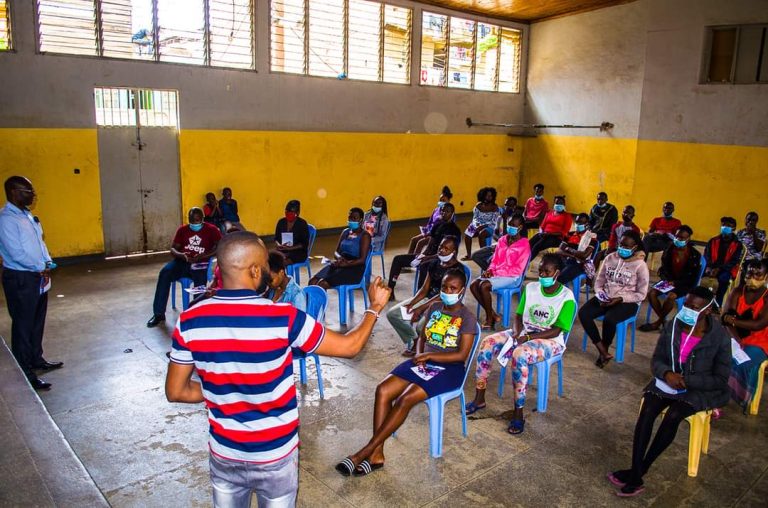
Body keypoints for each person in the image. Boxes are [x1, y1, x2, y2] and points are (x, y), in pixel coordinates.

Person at [165, 231, 391, 506]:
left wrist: (222, 388)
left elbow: (176, 391)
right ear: (255, 270)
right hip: (275, 455)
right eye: (264, 265)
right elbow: (350, 346)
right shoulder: (284, 318)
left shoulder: (189, 320)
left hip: (225, 453)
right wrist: (374, 307)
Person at [335, 268, 477, 476]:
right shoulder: (435, 307)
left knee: (405, 399)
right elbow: (422, 338)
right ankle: (377, 454)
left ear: (462, 290)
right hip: (424, 360)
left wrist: (428, 356)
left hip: (449, 368)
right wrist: (419, 354)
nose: (448, 291)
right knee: (383, 390)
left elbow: (462, 355)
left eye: (453, 288)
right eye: (445, 287)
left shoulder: (467, 317)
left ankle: (365, 451)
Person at [607, 287, 730, 497]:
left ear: (708, 310)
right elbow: (657, 359)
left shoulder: (719, 337)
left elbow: (720, 378)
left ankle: (638, 472)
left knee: (673, 415)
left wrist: (687, 381)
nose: (687, 310)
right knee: (647, 411)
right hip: (669, 381)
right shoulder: (675, 325)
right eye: (686, 305)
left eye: (694, 308)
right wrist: (666, 374)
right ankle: (636, 472)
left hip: (699, 388)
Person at [464, 254, 576, 435]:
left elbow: (557, 330)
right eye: (540, 271)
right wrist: (516, 333)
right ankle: (479, 398)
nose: (542, 275)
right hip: (524, 333)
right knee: (487, 343)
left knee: (520, 354)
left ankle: (518, 412)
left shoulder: (566, 296)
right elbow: (518, 315)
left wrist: (528, 337)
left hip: (550, 340)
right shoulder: (531, 288)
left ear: (557, 273)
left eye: (547, 272)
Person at [0, 176, 62, 391]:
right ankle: (25, 372)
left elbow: (39, 243)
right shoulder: (6, 219)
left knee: (36, 321)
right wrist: (39, 267)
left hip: (37, 275)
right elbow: (15, 253)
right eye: (28, 191)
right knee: (23, 326)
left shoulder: (27, 215)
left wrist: (47, 262)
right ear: (14, 192)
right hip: (20, 279)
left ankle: (37, 359)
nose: (33, 195)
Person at [579, 230, 649, 368]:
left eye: (627, 246)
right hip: (606, 296)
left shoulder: (640, 265)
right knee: (583, 313)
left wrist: (621, 298)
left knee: (610, 319)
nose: (622, 248)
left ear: (635, 247)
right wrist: (600, 294)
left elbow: (641, 294)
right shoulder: (610, 258)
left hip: (628, 301)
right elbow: (599, 282)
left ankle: (605, 347)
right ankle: (602, 350)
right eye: (621, 244)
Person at [386, 236, 462, 356]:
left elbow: (442, 296)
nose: (441, 250)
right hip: (428, 299)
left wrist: (420, 308)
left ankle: (421, 345)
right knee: (393, 314)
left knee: (421, 326)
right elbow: (424, 289)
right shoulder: (434, 263)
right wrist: (411, 304)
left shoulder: (457, 270)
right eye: (440, 247)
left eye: (446, 249)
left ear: (454, 252)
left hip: (444, 303)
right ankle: (415, 339)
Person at [147, 207, 222, 327]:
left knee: (200, 284)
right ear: (188, 219)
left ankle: (197, 314)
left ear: (203, 219)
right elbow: (173, 249)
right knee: (165, 273)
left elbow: (220, 247)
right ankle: (159, 314)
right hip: (182, 261)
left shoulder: (212, 230)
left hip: (200, 264)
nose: (195, 224)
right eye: (192, 221)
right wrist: (181, 255)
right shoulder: (183, 230)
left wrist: (203, 255)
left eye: (197, 221)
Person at [470, 214, 531, 329]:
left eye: (514, 225)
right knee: (473, 285)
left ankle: (489, 319)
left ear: (520, 227)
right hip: (497, 273)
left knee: (484, 285)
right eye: (509, 224)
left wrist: (496, 273)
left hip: (512, 277)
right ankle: (493, 314)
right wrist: (490, 270)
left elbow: (518, 269)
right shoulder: (502, 240)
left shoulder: (524, 244)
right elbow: (495, 260)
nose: (510, 227)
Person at [722, 259, 768, 411]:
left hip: (761, 340)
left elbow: (759, 324)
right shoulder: (737, 292)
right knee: (714, 357)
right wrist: (736, 339)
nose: (752, 278)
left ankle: (723, 397)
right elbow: (725, 319)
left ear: (766, 277)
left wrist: (733, 320)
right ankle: (713, 393)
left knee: (739, 364)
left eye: (758, 275)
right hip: (735, 336)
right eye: (749, 273)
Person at [388, 202, 461, 292]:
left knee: (424, 265)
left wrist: (429, 258)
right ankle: (390, 289)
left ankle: (421, 293)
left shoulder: (455, 230)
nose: (444, 213)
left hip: (441, 260)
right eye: (442, 211)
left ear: (452, 213)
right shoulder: (437, 225)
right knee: (398, 259)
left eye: (447, 211)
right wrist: (422, 255)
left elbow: (449, 253)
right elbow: (430, 244)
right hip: (428, 256)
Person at [640, 226, 702, 332]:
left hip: (684, 284)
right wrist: (666, 280)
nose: (678, 239)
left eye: (682, 238)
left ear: (688, 239)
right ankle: (663, 321)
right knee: (651, 293)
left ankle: (657, 323)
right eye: (677, 236)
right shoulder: (669, 249)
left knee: (671, 296)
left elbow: (692, 278)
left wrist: (676, 283)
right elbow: (663, 269)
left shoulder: (694, 255)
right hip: (668, 281)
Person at [309, 208, 371, 290]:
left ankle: (319, 299)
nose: (351, 220)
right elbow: (336, 252)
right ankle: (311, 299)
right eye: (350, 217)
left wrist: (346, 264)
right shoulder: (345, 232)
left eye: (354, 218)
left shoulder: (365, 236)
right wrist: (339, 258)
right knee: (312, 281)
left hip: (355, 268)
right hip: (340, 264)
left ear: (361, 220)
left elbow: (362, 260)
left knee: (322, 284)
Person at [471, 196, 523, 271]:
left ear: (514, 207)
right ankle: (490, 271)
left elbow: (507, 238)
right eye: (506, 205)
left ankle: (492, 271)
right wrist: (499, 240)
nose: (507, 207)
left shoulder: (515, 221)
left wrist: (505, 221)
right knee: (476, 256)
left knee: (490, 260)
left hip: (509, 248)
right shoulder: (499, 218)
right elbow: (494, 234)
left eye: (510, 206)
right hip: (498, 244)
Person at [703, 216, 744, 306]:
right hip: (712, 266)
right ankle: (702, 301)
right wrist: (709, 266)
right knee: (702, 277)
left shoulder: (737, 244)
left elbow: (734, 261)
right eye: (723, 225)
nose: (725, 227)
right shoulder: (713, 240)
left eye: (728, 226)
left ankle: (717, 305)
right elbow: (706, 255)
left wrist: (719, 269)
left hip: (726, 269)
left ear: (734, 228)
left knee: (722, 280)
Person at [408, 186, 452, 255]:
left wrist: (431, 233)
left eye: (443, 200)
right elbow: (429, 223)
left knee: (420, 242)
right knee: (414, 240)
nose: (441, 202)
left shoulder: (449, 213)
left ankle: (416, 259)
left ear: (448, 201)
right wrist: (426, 231)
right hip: (430, 232)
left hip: (438, 235)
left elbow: (447, 228)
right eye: (440, 200)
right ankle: (408, 258)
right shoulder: (436, 210)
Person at [557, 213, 598, 285]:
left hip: (580, 264)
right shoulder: (569, 234)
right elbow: (559, 251)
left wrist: (568, 249)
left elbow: (584, 256)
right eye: (577, 222)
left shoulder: (591, 237)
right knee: (550, 269)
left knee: (560, 278)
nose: (578, 225)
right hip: (567, 260)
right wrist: (573, 255)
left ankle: (555, 289)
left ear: (587, 224)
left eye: (581, 223)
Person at [528, 195, 573, 260]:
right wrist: (542, 233)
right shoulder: (549, 213)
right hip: (545, 235)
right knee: (529, 243)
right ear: (554, 203)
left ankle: (526, 262)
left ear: (564, 205)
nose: (558, 204)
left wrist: (549, 234)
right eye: (557, 203)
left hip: (556, 238)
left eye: (561, 203)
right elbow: (542, 226)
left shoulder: (567, 216)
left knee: (537, 246)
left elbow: (564, 232)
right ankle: (522, 258)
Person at [462, 187, 501, 260]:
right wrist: (477, 226)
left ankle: (483, 255)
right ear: (483, 196)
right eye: (487, 195)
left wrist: (482, 226)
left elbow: (494, 222)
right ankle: (469, 255)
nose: (489, 197)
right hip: (477, 224)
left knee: (481, 234)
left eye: (490, 196)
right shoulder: (478, 205)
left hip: (490, 226)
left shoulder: (495, 207)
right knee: (467, 234)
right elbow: (475, 218)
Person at [274, 199, 310, 265]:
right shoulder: (281, 222)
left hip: (298, 252)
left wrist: (290, 248)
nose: (289, 215)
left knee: (283, 262)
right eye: (287, 212)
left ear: (297, 213)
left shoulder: (302, 224)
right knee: (271, 257)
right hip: (283, 250)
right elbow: (276, 238)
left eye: (291, 213)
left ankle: (282, 270)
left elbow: (304, 244)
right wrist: (279, 245)